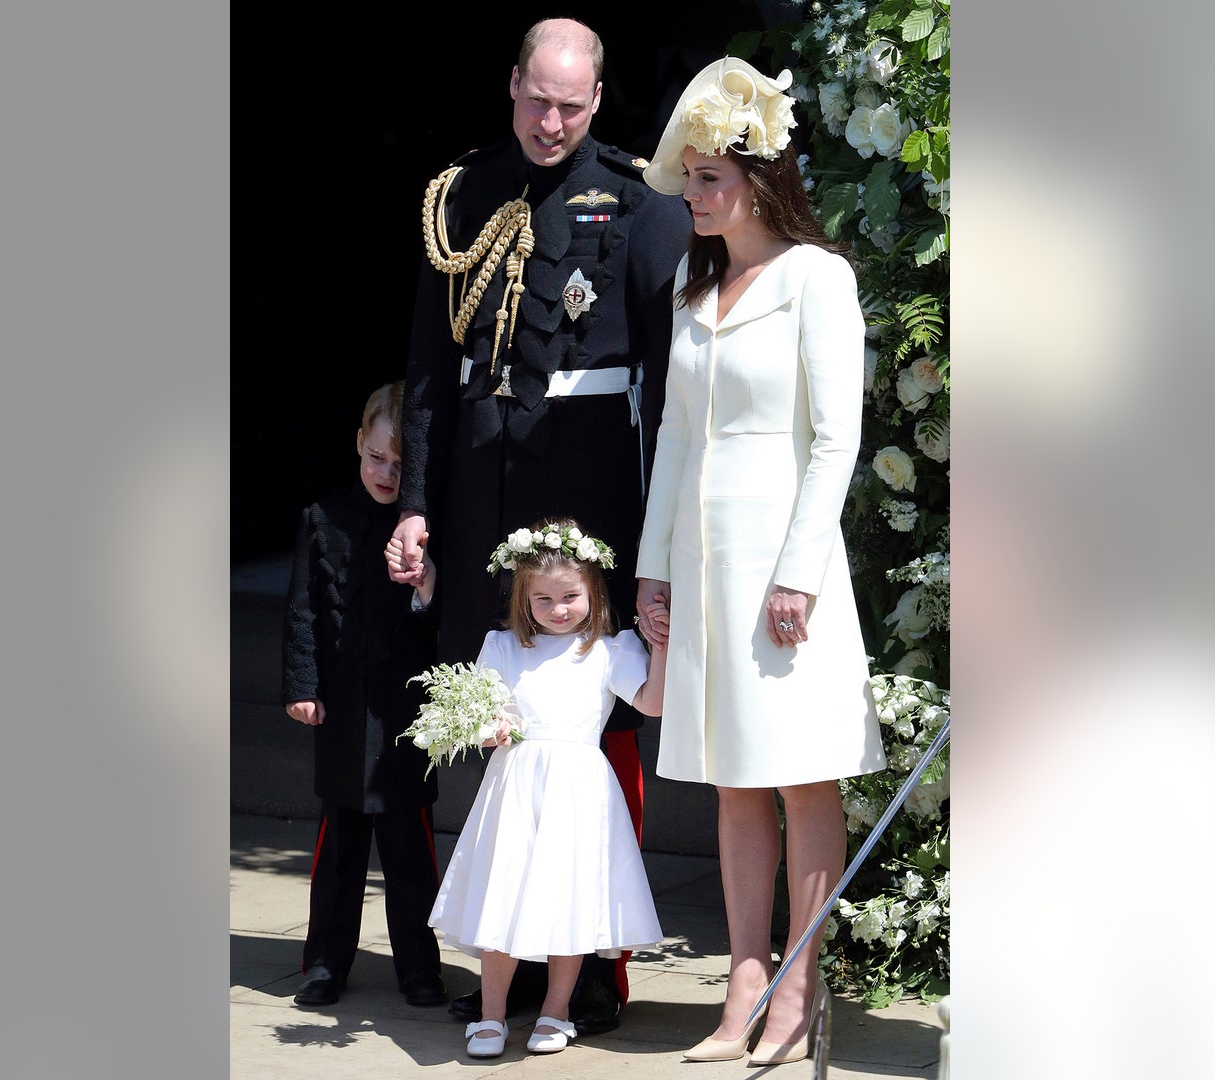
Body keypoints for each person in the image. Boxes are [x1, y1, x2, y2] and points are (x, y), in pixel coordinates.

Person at [388, 16, 690, 1033]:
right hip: (483, 486)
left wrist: (663, 534)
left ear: (598, 101)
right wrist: (420, 501)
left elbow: (674, 376)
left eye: (570, 104)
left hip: (590, 482)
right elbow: (432, 369)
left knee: (594, 724)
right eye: (535, 98)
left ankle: (595, 961)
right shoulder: (462, 195)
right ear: (510, 84)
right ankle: (505, 958)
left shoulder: (642, 203)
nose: (549, 121)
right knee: (491, 714)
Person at [631, 57, 887, 1065]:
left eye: (708, 178)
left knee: (799, 780)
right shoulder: (696, 288)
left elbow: (836, 438)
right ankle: (741, 987)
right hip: (704, 565)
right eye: (688, 177)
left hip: (785, 565)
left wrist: (800, 572)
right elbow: (678, 442)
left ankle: (796, 989)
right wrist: (655, 571)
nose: (692, 195)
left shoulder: (817, 278)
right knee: (735, 782)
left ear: (758, 180)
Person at [425, 517, 669, 1058]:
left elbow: (651, 702)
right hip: (515, 786)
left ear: (592, 591)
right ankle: (491, 1014)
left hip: (579, 789)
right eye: (543, 599)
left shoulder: (610, 650)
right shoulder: (503, 646)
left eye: (570, 596)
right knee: (502, 894)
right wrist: (489, 729)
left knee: (568, 899)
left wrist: (663, 646)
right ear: (523, 597)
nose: (558, 609)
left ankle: (555, 1010)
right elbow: (482, 713)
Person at [281, 380, 448, 1010]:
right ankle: (324, 962)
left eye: (400, 464)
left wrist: (427, 585)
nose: (385, 472)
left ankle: (418, 965)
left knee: (410, 848)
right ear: (357, 443)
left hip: (405, 711)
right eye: (376, 456)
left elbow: (440, 620)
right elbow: (303, 612)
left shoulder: (427, 531)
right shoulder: (323, 518)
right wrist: (303, 687)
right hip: (345, 711)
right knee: (340, 845)